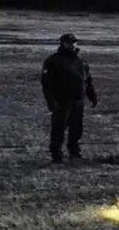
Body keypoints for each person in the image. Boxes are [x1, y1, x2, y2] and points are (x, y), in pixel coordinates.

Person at [40, 33, 98, 163]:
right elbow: (46, 84)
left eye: (74, 42)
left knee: (76, 128)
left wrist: (92, 96)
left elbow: (87, 81)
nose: (72, 45)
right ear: (62, 43)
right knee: (59, 129)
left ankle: (74, 151)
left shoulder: (81, 61)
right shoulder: (53, 61)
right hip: (61, 101)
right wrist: (51, 102)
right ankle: (56, 154)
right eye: (69, 42)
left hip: (78, 101)